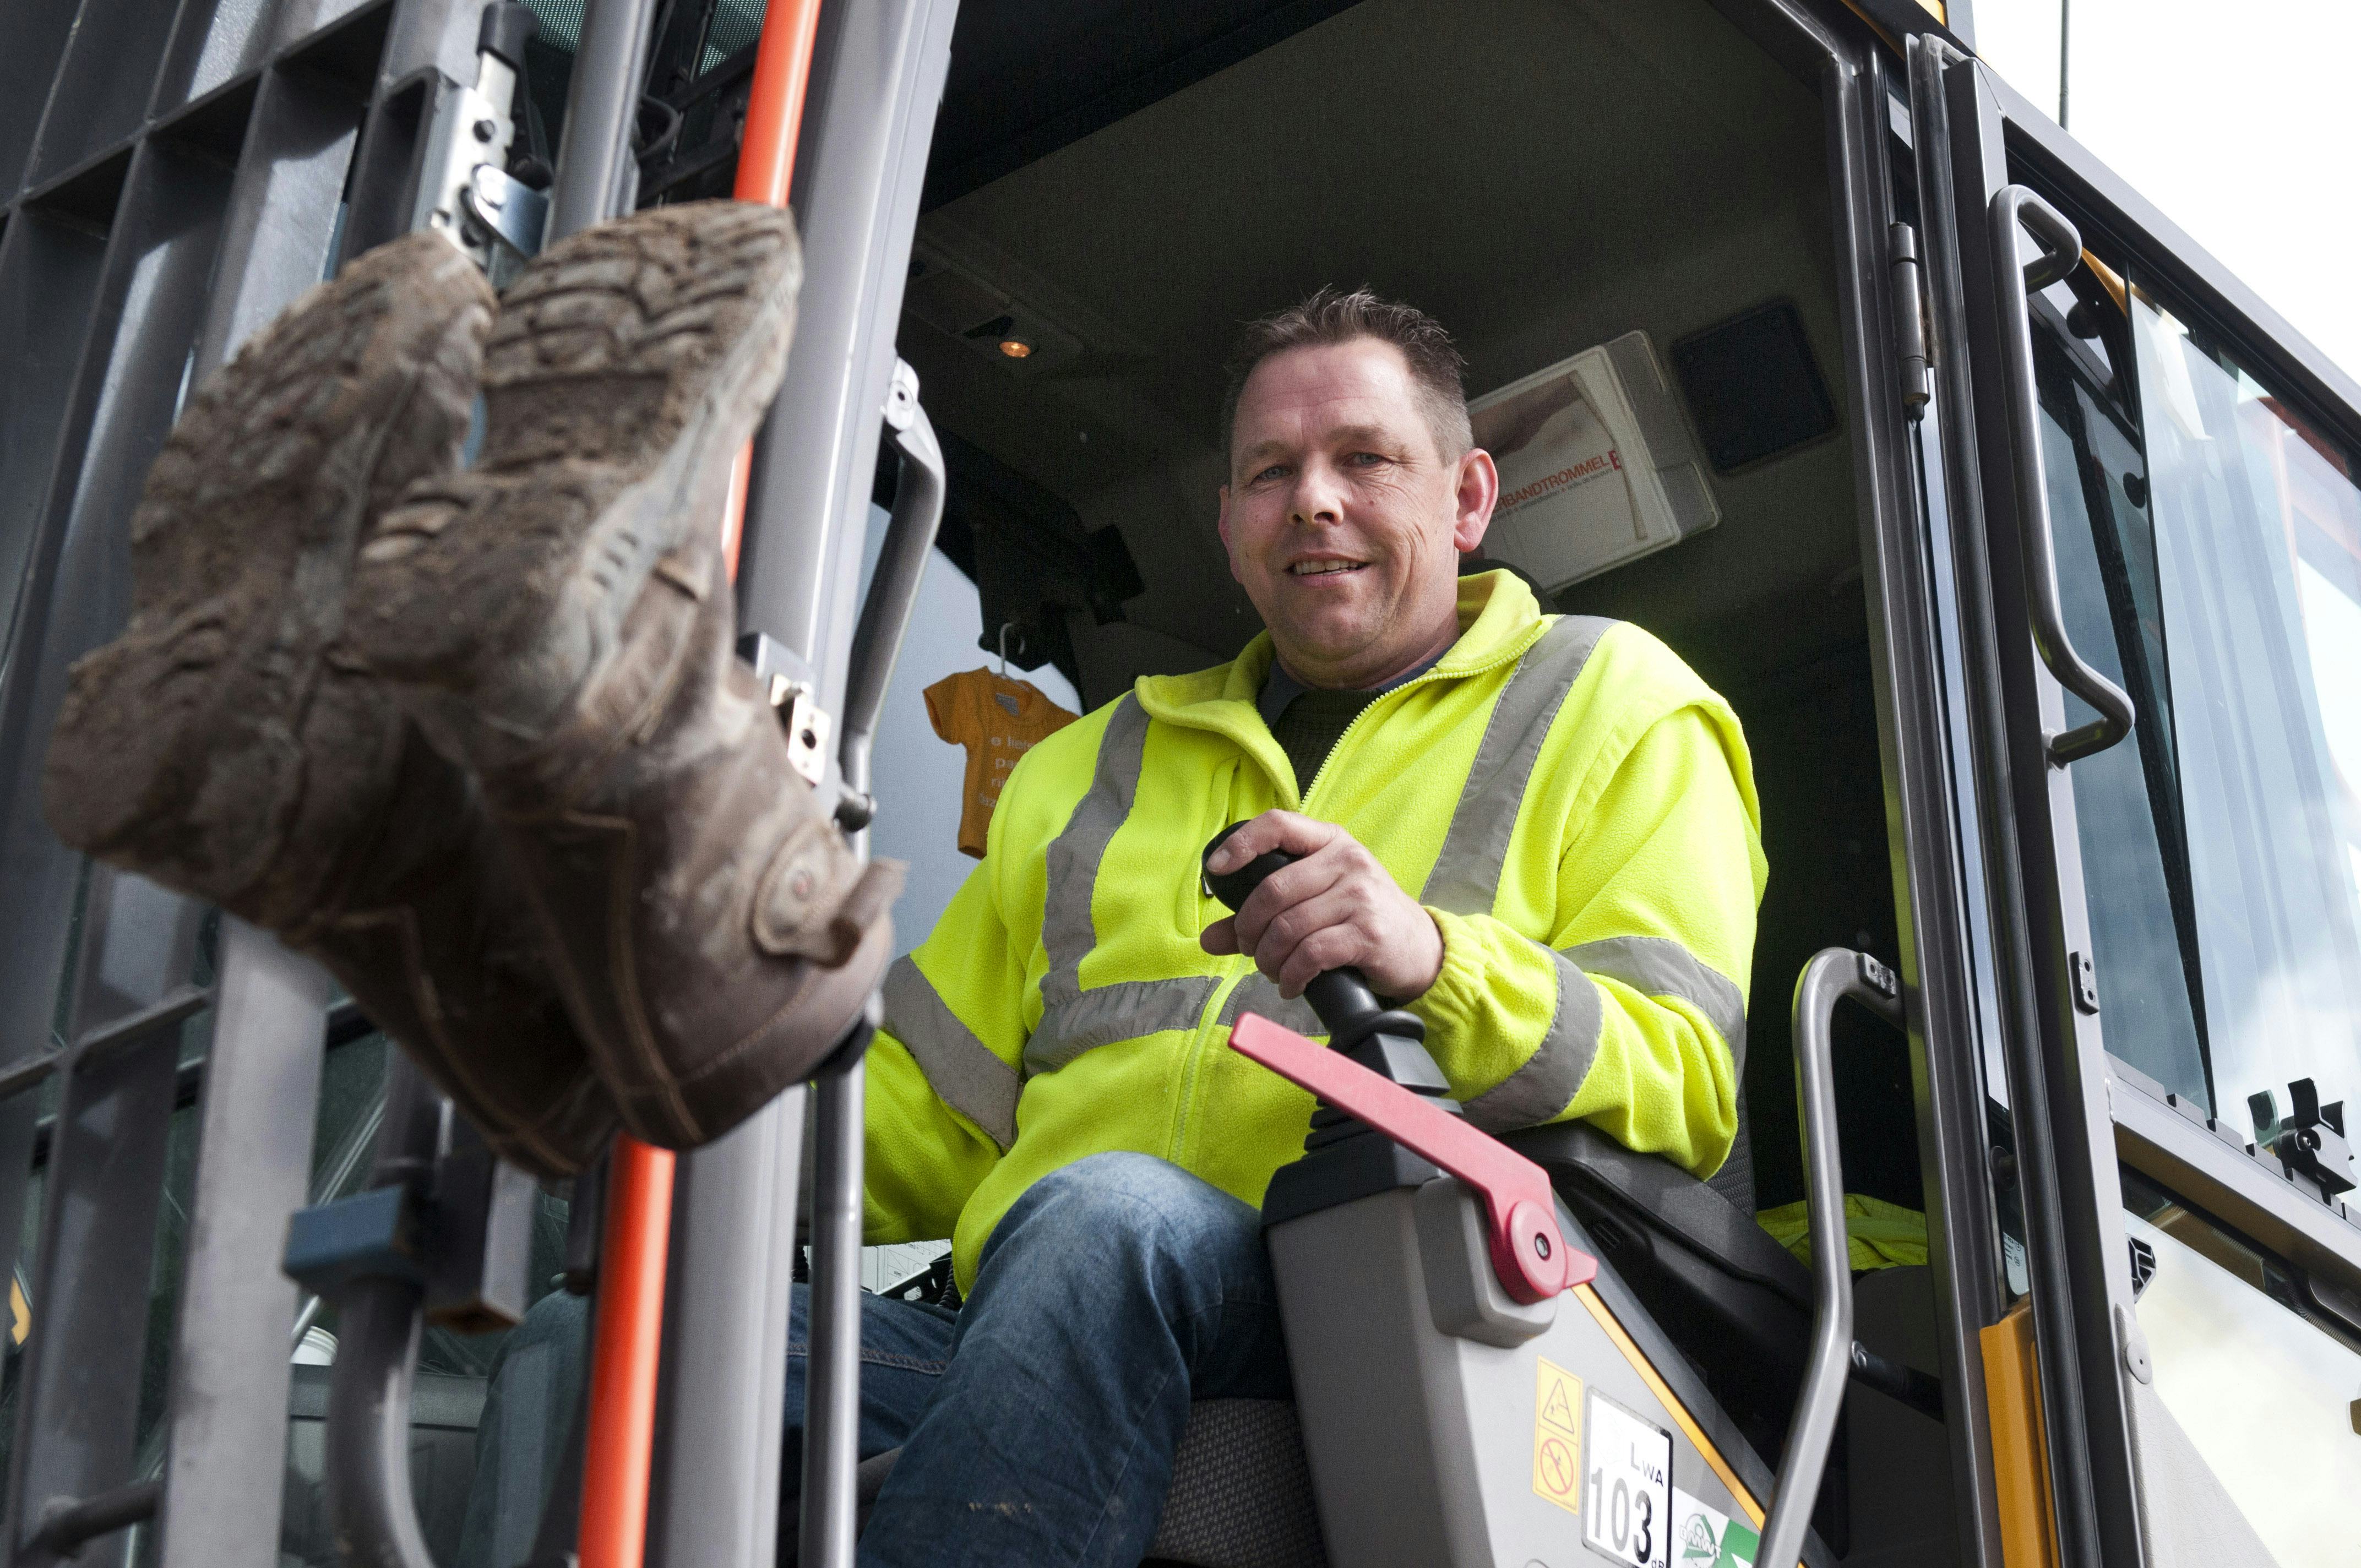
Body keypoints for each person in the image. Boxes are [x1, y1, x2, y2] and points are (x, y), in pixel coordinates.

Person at [51, 197, 1763, 1566]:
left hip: (1388, 1313)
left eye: (1364, 461)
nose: (1313, 502)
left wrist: (1433, 956)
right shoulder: (1102, 764)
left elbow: (1683, 1081)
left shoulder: (1617, 706)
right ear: (1231, 520)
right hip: (1039, 1306)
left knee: (1107, 1222)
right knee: (622, 1321)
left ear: (1466, 496)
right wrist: (658, 1138)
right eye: (1270, 472)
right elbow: (933, 1120)